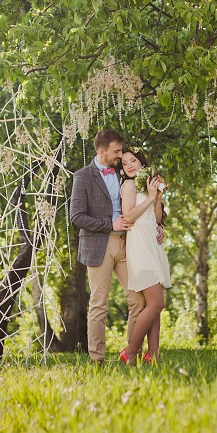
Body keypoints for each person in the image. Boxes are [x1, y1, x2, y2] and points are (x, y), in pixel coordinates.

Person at [69, 129, 147, 364]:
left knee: (138, 300)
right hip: (98, 245)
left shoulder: (123, 173)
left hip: (126, 244)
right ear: (101, 151)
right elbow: (77, 216)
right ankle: (97, 358)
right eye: (116, 151)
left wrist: (158, 224)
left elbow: (138, 202)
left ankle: (131, 355)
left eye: (121, 150)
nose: (120, 155)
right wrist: (108, 223)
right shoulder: (82, 177)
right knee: (99, 304)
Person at [118, 148, 171, 365]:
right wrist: (149, 198)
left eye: (133, 161)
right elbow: (128, 215)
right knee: (157, 304)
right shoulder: (129, 185)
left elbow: (157, 219)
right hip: (139, 244)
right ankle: (130, 351)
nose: (129, 165)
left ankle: (153, 354)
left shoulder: (146, 185)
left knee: (154, 304)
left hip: (153, 244)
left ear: (142, 164)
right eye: (124, 163)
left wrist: (157, 197)